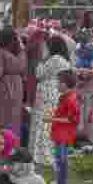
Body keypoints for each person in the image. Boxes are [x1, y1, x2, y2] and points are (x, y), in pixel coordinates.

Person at [30, 36, 72, 167]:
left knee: (42, 124)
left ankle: (40, 155)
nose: (45, 48)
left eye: (46, 46)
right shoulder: (64, 60)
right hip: (55, 92)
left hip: (46, 93)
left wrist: (42, 60)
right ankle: (48, 153)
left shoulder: (53, 59)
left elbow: (39, 74)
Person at [0, 27, 27, 142]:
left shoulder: (1, 53)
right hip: (17, 88)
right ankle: (12, 146)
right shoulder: (21, 53)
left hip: (2, 89)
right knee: (14, 119)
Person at [50, 70, 80, 184]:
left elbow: (72, 119)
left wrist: (51, 119)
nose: (56, 84)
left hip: (63, 134)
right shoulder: (67, 96)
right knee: (60, 159)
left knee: (61, 160)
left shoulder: (70, 99)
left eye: (58, 82)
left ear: (65, 84)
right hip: (62, 133)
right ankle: (59, 183)